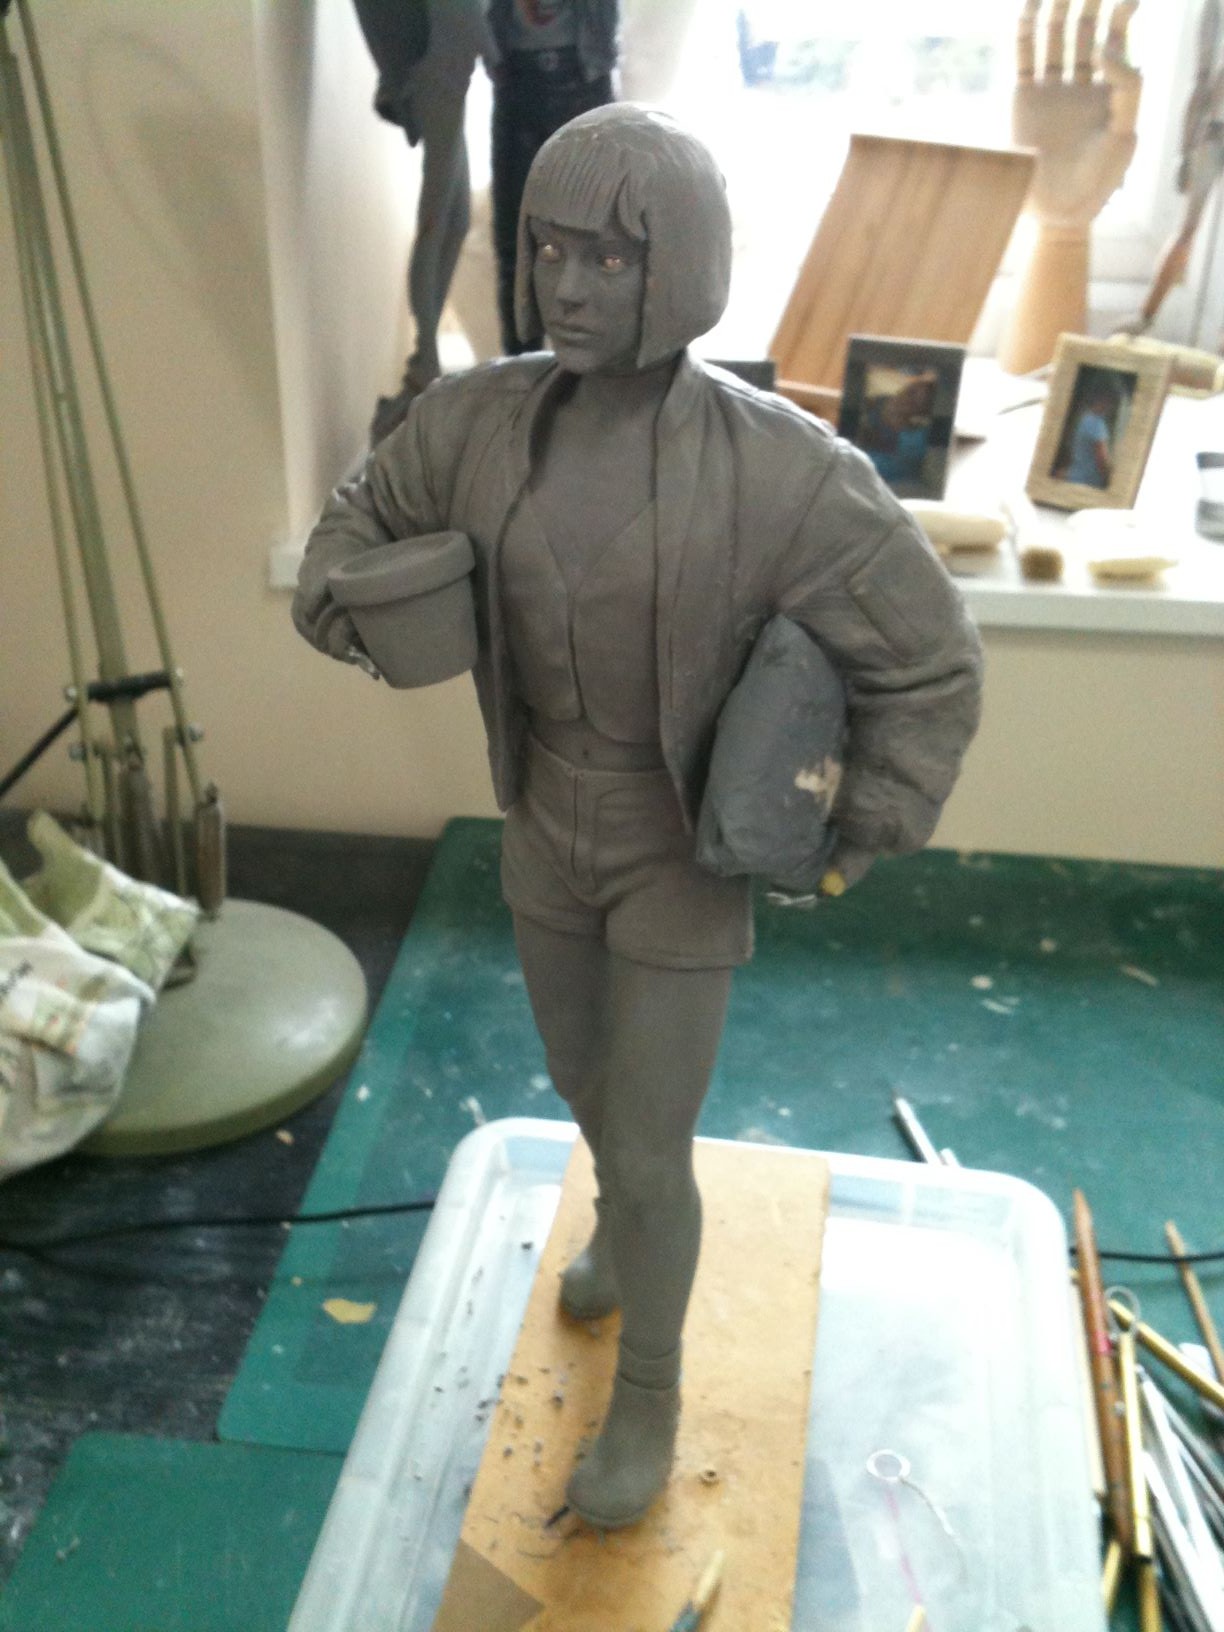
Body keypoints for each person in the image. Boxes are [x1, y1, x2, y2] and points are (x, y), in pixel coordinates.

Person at [292, 105, 983, 1530]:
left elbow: (927, 656)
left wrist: (867, 819)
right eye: (551, 249)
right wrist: (349, 603)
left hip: (679, 850)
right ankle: (616, 1220)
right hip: (543, 818)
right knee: (587, 1084)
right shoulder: (476, 421)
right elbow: (356, 522)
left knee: (658, 1141)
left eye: (612, 257)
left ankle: (651, 1394)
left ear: (684, 267)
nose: (571, 285)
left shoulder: (779, 469)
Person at [352, 0, 493, 443]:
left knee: (457, 218)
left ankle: (425, 358)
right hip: (437, 73)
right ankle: (424, 356)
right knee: (436, 218)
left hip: (448, 70)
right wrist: (497, 55)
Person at [487, 0, 618, 355]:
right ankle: (524, 372)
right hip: (515, 76)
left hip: (583, 72)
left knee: (599, 237)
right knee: (515, 245)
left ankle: (592, 367)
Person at [1059, 377, 1119, 489]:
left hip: (1074, 475)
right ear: (1104, 399)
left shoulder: (1084, 418)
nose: (1112, 406)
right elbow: (1102, 461)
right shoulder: (1097, 425)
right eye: (1112, 402)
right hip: (1089, 482)